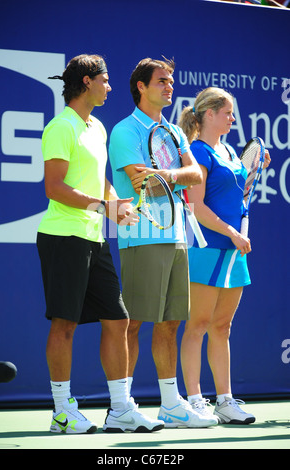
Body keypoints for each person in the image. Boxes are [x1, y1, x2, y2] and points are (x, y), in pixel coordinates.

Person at [37, 54, 164, 434]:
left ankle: (121, 409)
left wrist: (117, 206)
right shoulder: (61, 127)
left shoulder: (97, 127)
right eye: (105, 82)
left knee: (118, 319)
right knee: (65, 324)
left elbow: (99, 180)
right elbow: (54, 187)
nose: (110, 88)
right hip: (63, 236)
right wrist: (101, 206)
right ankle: (62, 411)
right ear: (88, 81)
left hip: (94, 236)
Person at [109, 58, 218, 428]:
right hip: (141, 237)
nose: (169, 86)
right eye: (161, 81)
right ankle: (120, 407)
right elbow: (141, 182)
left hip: (176, 238)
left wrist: (167, 173)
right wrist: (174, 177)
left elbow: (194, 175)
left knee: (170, 323)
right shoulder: (125, 131)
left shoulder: (173, 130)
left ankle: (170, 404)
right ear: (141, 86)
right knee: (135, 322)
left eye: (171, 81)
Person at [178, 87, 271, 424]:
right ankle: (194, 399)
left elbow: (236, 195)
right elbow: (197, 206)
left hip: (234, 251)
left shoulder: (231, 150)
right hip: (208, 249)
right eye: (228, 113)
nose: (233, 119)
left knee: (222, 326)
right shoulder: (198, 152)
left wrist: (251, 174)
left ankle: (225, 400)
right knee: (198, 324)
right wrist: (232, 233)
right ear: (210, 114)